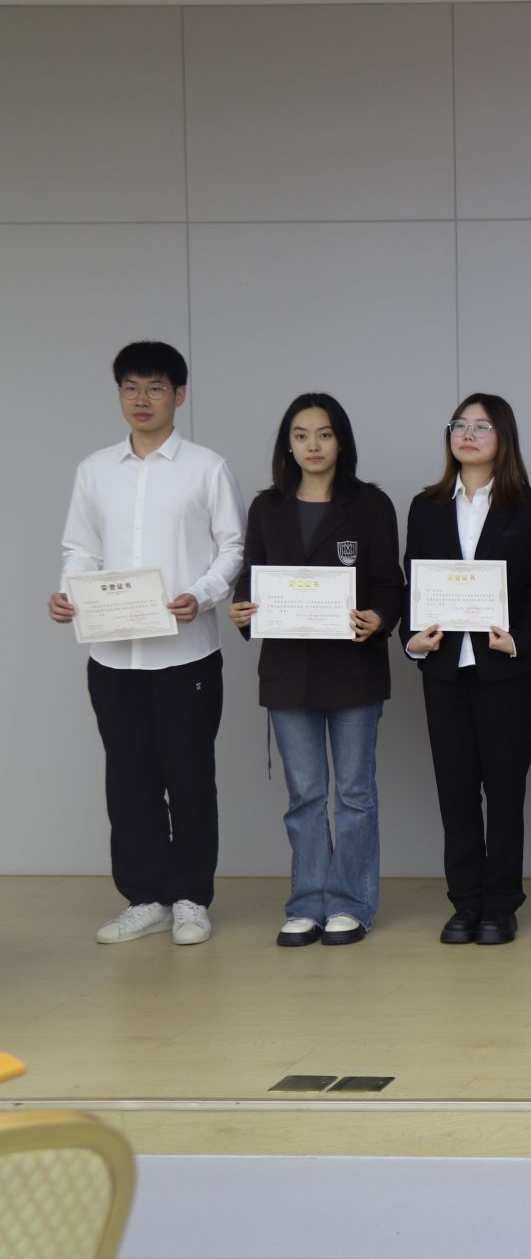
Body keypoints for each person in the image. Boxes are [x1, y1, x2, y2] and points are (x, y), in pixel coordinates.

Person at [54, 342, 244, 946]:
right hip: (112, 655)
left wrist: (201, 594)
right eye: (130, 387)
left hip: (186, 653)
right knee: (128, 780)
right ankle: (145, 898)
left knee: (190, 778)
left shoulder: (207, 467)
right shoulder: (95, 470)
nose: (142, 399)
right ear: (118, 393)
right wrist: (69, 593)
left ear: (179, 395)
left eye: (155, 387)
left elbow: (232, 548)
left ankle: (190, 898)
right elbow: (80, 549)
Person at [229, 394, 405, 947]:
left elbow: (390, 582)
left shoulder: (371, 505)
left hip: (353, 669)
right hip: (288, 671)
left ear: (341, 441)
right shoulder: (267, 508)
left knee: (354, 794)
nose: (313, 445)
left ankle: (351, 903)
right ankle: (306, 902)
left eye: (324, 434)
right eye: (301, 435)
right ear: (288, 444)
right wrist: (242, 610)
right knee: (304, 795)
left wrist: (380, 617)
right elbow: (250, 578)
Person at [401, 393, 531, 947]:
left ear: (503, 437)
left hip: (504, 668)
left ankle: (501, 904)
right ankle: (465, 902)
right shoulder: (425, 506)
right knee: (456, 791)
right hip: (444, 669)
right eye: (459, 425)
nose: (467, 435)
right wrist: (411, 641)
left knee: (506, 791)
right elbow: (412, 584)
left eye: (481, 426)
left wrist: (521, 639)